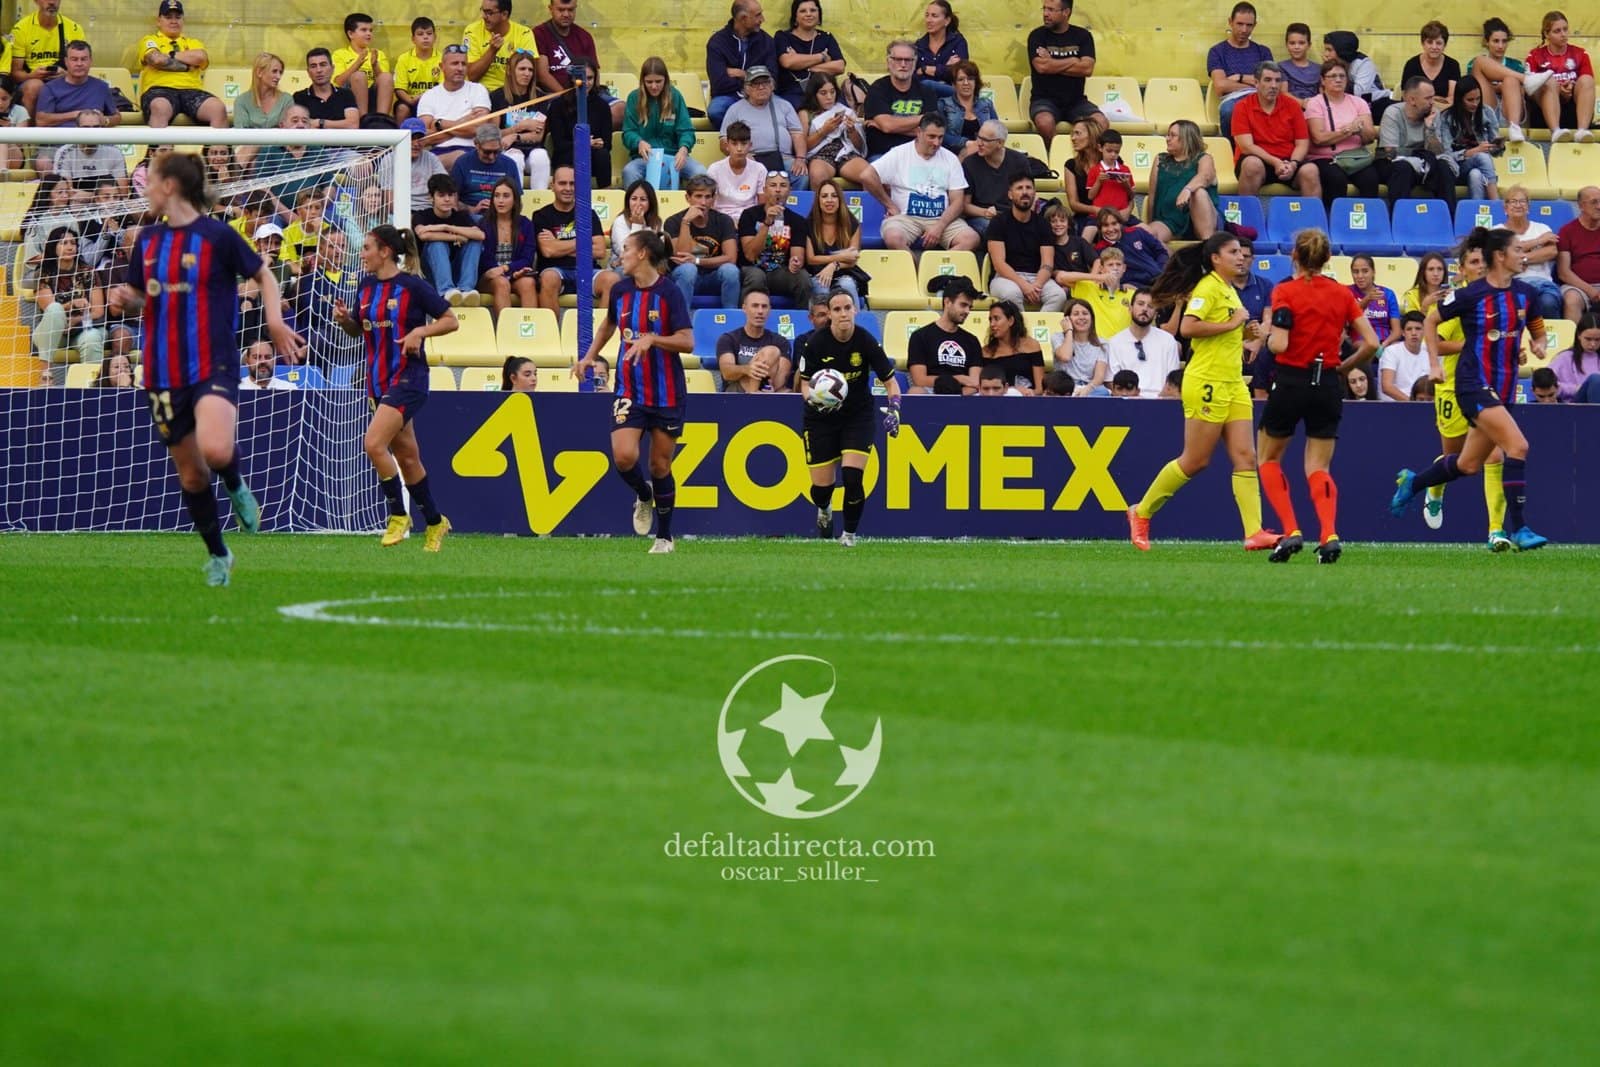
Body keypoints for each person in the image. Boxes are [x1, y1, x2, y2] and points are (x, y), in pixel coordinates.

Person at [109, 152, 303, 585]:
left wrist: (274, 322)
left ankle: (234, 482)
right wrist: (127, 299)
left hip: (213, 359)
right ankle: (218, 554)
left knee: (215, 451)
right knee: (192, 473)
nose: (144, 189)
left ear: (170, 186)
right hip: (161, 369)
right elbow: (142, 295)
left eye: (150, 181)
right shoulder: (148, 240)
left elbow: (265, 275)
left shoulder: (218, 236)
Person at [1394, 227, 1549, 551]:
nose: (1523, 256)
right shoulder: (1470, 295)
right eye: (1518, 250)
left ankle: (1414, 482)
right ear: (1500, 256)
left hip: (1504, 387)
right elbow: (1431, 320)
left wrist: (1539, 343)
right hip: (1472, 384)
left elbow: (1536, 326)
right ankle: (1518, 529)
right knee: (1517, 446)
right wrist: (1434, 364)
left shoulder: (1526, 293)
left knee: (1467, 464)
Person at [1127, 233, 1281, 552]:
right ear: (1215, 258)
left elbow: (1224, 331)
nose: (1240, 257)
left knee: (1246, 457)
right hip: (1207, 381)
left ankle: (1254, 532)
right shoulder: (1208, 288)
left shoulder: (1228, 289)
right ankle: (1141, 511)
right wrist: (1233, 324)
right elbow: (1189, 328)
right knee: (1195, 460)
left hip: (1233, 382)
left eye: (1242, 252)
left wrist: (1246, 333)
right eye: (1233, 252)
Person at [331, 225, 458, 550]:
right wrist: (346, 321)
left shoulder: (412, 286)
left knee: (373, 444)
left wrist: (419, 333)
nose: (362, 255)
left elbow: (451, 320)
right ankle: (435, 522)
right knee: (407, 457)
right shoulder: (365, 286)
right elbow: (358, 331)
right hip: (377, 381)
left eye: (367, 248)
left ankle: (399, 515)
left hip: (408, 377)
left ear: (385, 252)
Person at [1257, 227, 1379, 563]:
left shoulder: (1285, 291)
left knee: (1268, 458)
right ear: (1327, 259)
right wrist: (1342, 367)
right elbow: (1371, 342)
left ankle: (1291, 530)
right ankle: (1329, 534)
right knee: (1318, 466)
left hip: (1290, 381)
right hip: (1326, 383)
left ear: (1294, 255)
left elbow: (1279, 344)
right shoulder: (1341, 294)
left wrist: (1265, 336)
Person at [575, 229, 696, 553]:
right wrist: (588, 357)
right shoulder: (620, 290)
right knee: (624, 456)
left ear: (642, 253)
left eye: (627, 248)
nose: (621, 254)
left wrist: (653, 339)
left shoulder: (669, 293)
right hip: (629, 388)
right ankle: (643, 495)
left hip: (667, 393)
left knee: (660, 466)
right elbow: (608, 325)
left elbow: (687, 341)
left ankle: (664, 537)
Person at [796, 288, 901, 544]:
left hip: (857, 416)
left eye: (847, 308)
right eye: (837, 309)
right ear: (830, 314)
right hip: (820, 419)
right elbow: (804, 384)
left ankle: (849, 536)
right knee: (821, 490)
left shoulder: (866, 341)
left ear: (855, 310)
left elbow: (890, 382)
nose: (843, 313)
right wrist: (815, 401)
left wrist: (895, 408)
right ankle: (824, 508)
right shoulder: (815, 344)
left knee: (853, 478)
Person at [1416, 241, 1487, 533]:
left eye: (1483, 261)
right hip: (1452, 388)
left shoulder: (1496, 298)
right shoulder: (1457, 301)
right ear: (1462, 269)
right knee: (1455, 459)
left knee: (1495, 455)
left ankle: (1496, 530)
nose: (1481, 267)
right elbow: (1435, 342)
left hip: (1485, 386)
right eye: (1474, 262)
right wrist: (1471, 344)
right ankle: (1434, 488)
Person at [870, 112, 980, 254]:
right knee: (893, 238)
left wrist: (940, 226)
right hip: (906, 218)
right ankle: (916, 265)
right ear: (919, 132)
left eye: (940, 137)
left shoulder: (950, 158)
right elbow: (867, 175)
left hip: (942, 218)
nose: (936, 143)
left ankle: (936, 266)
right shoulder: (899, 153)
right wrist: (889, 204)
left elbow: (958, 201)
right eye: (931, 137)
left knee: (971, 239)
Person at [534, 164, 620, 312]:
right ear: (552, 186)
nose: (568, 188)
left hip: (588, 270)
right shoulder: (541, 216)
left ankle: (600, 327)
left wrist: (558, 244)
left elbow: (600, 251)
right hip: (555, 271)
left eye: (572, 183)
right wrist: (584, 242)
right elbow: (548, 251)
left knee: (612, 280)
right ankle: (552, 327)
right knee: (548, 278)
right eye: (562, 183)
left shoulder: (589, 214)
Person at [1233, 62, 1322, 201]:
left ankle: (1313, 215)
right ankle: (1246, 213)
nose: (1274, 85)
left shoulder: (1292, 105)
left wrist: (1293, 164)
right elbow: (1247, 147)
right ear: (1256, 83)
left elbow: (1302, 143)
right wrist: (1276, 162)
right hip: (1258, 159)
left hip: (1288, 161)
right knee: (1252, 165)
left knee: (1311, 171)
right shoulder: (1242, 107)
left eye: (1277, 80)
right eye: (1268, 80)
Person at [31, 226, 105, 384]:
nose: (70, 247)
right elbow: (49, 308)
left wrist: (76, 321)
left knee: (92, 338)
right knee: (55, 309)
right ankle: (46, 374)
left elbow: (98, 311)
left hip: (81, 329)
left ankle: (92, 388)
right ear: (54, 247)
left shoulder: (88, 271)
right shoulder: (43, 273)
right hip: (53, 333)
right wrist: (72, 304)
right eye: (64, 243)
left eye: (73, 243)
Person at [534, 0, 623, 127]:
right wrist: (568, 96)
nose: (566, 14)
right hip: (554, 95)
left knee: (620, 109)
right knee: (552, 113)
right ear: (550, 9)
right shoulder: (539, 34)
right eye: (561, 9)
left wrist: (587, 97)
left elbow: (595, 72)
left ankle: (588, 136)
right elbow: (542, 75)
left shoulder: (584, 36)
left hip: (586, 93)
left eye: (570, 9)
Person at [1303, 59, 1381, 205]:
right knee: (1336, 179)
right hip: (1325, 158)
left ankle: (1367, 216)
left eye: (1342, 76)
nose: (1338, 80)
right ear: (1323, 80)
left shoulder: (1358, 102)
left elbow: (1370, 137)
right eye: (1333, 76)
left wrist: (1361, 130)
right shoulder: (1315, 103)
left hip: (1355, 156)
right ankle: (1334, 216)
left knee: (1370, 179)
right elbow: (1318, 138)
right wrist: (1348, 131)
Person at [139, 1, 227, 129]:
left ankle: (216, 144)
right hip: (159, 90)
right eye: (168, 17)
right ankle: (160, 143)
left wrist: (170, 54)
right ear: (159, 21)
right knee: (160, 106)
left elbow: (201, 58)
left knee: (218, 108)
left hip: (192, 90)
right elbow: (157, 59)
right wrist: (187, 66)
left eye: (178, 17)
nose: (174, 21)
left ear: (183, 21)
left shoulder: (193, 42)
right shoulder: (150, 40)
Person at [621, 57, 703, 190]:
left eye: (658, 81)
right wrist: (638, 142)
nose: (654, 86)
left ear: (666, 79)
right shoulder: (634, 98)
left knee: (700, 172)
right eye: (649, 82)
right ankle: (635, 203)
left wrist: (684, 148)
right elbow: (628, 132)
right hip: (646, 158)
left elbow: (686, 130)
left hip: (674, 156)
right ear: (642, 81)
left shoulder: (675, 96)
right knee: (629, 171)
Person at [1468, 18, 1553, 144]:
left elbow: (1524, 92)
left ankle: (1514, 128)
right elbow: (1472, 91)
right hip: (1488, 110)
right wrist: (1499, 87)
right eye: (1496, 41)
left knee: (1511, 81)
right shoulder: (1475, 63)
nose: (1500, 46)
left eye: (1504, 41)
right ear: (1487, 42)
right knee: (1479, 62)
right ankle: (1526, 79)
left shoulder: (1516, 64)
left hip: (1512, 111)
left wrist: (1504, 86)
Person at [1028, 0, 1102, 144]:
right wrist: (1073, 60)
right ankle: (1054, 155)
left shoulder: (1082, 36)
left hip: (1076, 101)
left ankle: (1083, 156)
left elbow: (1087, 68)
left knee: (1101, 122)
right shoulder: (1037, 36)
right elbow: (1042, 67)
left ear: (1066, 12)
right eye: (1044, 9)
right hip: (1044, 100)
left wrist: (1052, 63)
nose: (1045, 14)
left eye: (1051, 10)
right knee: (1044, 122)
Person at [987, 172, 1064, 311]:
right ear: (1010, 194)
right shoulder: (998, 222)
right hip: (1006, 277)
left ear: (1034, 193)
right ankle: (1020, 326)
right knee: (1012, 293)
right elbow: (999, 264)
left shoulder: (1042, 224)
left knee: (1058, 295)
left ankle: (1038, 325)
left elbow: (1047, 263)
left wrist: (1037, 285)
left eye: (1028, 188)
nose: (1025, 192)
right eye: (1019, 188)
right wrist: (1024, 286)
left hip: (1037, 277)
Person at [721, 65, 807, 188]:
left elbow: (797, 134)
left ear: (772, 86)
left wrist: (800, 158)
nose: (761, 87)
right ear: (747, 88)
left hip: (783, 158)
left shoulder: (785, 105)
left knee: (801, 175)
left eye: (765, 83)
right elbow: (724, 141)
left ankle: (790, 201)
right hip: (750, 159)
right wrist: (742, 156)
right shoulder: (735, 109)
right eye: (756, 84)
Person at [799, 73, 883, 198]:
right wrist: (824, 131)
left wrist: (851, 130)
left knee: (870, 175)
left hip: (846, 151)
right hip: (821, 154)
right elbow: (803, 146)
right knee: (817, 176)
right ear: (814, 95)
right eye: (823, 93)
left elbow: (859, 147)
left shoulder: (845, 111)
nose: (829, 97)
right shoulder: (805, 114)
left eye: (832, 92)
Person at [666, 174, 742, 309]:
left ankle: (731, 316)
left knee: (730, 271)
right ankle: (682, 319)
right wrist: (686, 222)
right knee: (688, 269)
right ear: (688, 198)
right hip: (684, 277)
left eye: (708, 197)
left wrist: (697, 261)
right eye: (698, 196)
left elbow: (731, 258)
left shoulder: (724, 220)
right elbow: (681, 256)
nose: (703, 202)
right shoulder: (674, 221)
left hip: (714, 276)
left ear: (714, 199)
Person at [737, 171, 810, 306]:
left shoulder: (797, 221)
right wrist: (767, 223)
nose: (778, 190)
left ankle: (803, 317)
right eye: (773, 185)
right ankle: (746, 316)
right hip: (752, 268)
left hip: (779, 271)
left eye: (783, 185)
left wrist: (795, 262)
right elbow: (750, 255)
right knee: (756, 277)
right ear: (764, 190)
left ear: (790, 191)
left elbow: (797, 255)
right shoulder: (749, 215)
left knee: (802, 277)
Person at [1378, 77, 1454, 207]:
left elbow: (1438, 153)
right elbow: (1391, 153)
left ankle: (1448, 215)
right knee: (1403, 169)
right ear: (1412, 100)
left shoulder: (1434, 114)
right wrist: (1418, 158)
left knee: (1443, 167)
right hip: (1393, 163)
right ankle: (1399, 215)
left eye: (1433, 97)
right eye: (1428, 98)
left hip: (1425, 163)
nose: (1432, 102)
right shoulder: (1393, 113)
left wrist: (1429, 129)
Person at [417, 42, 492, 167]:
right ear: (442, 66)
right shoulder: (429, 95)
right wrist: (464, 121)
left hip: (472, 151)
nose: (460, 68)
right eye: (455, 63)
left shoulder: (478, 90)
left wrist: (440, 123)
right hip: (437, 153)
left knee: (459, 157)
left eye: (464, 64)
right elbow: (424, 138)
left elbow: (478, 130)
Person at [1525, 11, 1595, 143]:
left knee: (1587, 80)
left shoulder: (1580, 53)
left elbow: (1587, 84)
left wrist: (1571, 86)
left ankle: (1582, 131)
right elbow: (1529, 89)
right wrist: (1557, 89)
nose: (1563, 34)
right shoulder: (1535, 55)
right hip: (1544, 111)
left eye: (1565, 29)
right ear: (1547, 34)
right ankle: (1555, 131)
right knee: (1549, 81)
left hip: (1573, 108)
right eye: (1557, 31)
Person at [864, 39, 939, 160]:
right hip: (883, 155)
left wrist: (885, 126)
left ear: (915, 63)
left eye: (908, 60)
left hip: (918, 154)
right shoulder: (877, 89)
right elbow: (888, 125)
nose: (903, 64)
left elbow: (931, 131)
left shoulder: (926, 91)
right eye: (898, 59)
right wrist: (924, 118)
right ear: (889, 62)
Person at [413, 175, 482, 305]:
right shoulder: (422, 215)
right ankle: (446, 291)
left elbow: (480, 235)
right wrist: (456, 236)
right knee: (437, 244)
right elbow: (423, 234)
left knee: (475, 243)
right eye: (441, 195)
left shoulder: (461, 216)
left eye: (450, 195)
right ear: (431, 197)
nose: (447, 199)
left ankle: (466, 289)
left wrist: (447, 227)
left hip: (455, 271)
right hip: (430, 273)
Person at [706, 0, 777, 128]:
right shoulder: (717, 42)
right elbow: (719, 83)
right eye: (758, 15)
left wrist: (743, 75)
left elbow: (772, 77)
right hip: (729, 96)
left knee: (784, 109)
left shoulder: (766, 42)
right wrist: (754, 79)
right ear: (743, 18)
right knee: (716, 110)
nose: (762, 19)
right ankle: (735, 138)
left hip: (760, 94)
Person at [1497, 185, 1563, 323]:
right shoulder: (1497, 232)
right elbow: (1500, 258)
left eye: (1522, 201)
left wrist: (1520, 260)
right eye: (1513, 201)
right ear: (1505, 208)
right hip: (1513, 284)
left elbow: (1551, 251)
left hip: (1543, 285)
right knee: (1517, 305)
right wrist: (1538, 241)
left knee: (1548, 303)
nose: (1518, 205)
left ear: (1528, 207)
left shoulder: (1542, 228)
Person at [1145, 120, 1217, 244]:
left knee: (1198, 192)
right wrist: (1150, 222)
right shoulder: (1160, 159)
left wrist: (1187, 189)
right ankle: (1168, 255)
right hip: (1169, 220)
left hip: (1200, 219)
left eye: (1172, 135)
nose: (1167, 139)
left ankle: (1208, 246)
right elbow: (1152, 196)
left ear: (1186, 138)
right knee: (1149, 234)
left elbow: (1205, 176)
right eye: (1168, 135)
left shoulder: (1204, 158)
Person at [1209, 2, 1275, 137]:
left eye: (1249, 25)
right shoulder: (1217, 51)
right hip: (1233, 99)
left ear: (1254, 25)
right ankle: (1232, 148)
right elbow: (1220, 86)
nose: (1244, 30)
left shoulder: (1263, 51)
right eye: (1239, 24)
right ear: (1230, 22)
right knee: (1228, 111)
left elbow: (1270, 83)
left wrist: (1239, 77)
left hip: (1261, 99)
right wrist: (1255, 84)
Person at [488, 50, 551, 190]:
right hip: (506, 150)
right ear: (510, 71)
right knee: (515, 158)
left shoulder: (540, 98)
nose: (527, 73)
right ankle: (516, 200)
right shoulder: (497, 97)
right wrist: (519, 127)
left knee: (541, 157)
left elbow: (538, 136)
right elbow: (494, 135)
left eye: (530, 70)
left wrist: (515, 136)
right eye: (522, 69)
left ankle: (540, 199)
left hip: (532, 148)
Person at [544, 54, 613, 184]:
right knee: (569, 156)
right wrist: (582, 143)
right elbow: (559, 144)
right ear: (572, 78)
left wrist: (597, 144)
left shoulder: (602, 106)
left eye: (590, 78)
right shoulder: (558, 105)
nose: (586, 82)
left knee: (603, 155)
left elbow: (607, 144)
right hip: (567, 155)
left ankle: (605, 191)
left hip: (593, 156)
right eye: (581, 78)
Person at [10, 0, 87, 114]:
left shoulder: (74, 29)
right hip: (31, 80)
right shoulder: (21, 29)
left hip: (65, 79)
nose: (52, 2)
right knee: (35, 86)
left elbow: (83, 66)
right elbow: (15, 73)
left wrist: (67, 74)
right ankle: (30, 125)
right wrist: (32, 75)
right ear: (36, 1)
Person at [908, 274, 982, 392]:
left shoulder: (972, 341)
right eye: (963, 305)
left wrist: (958, 394)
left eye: (970, 307)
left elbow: (974, 382)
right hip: (932, 391)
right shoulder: (921, 336)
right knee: (915, 392)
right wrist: (958, 378)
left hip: (963, 393)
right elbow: (919, 380)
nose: (967, 311)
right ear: (947, 302)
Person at [476, 177, 537, 318]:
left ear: (515, 200)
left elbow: (527, 258)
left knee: (528, 283)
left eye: (506, 196)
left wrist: (507, 269)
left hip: (514, 273)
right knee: (502, 283)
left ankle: (532, 329)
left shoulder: (525, 224)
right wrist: (503, 272)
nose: (500, 200)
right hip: (488, 276)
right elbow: (484, 260)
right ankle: (505, 329)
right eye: (497, 196)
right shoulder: (484, 224)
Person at [960, 120, 1032, 240]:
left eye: (985, 140)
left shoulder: (1019, 161)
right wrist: (985, 212)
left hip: (1014, 214)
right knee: (995, 228)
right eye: (978, 137)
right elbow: (965, 205)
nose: (979, 143)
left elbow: (1029, 196)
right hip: (982, 217)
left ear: (1000, 143)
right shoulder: (969, 164)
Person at [1102, 289, 1180, 397]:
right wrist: (1131, 396)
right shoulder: (1115, 342)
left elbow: (1173, 380)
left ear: (1156, 313)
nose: (1145, 309)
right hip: (1127, 401)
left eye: (1150, 306)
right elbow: (1111, 381)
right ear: (1130, 308)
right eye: (1140, 304)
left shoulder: (1168, 341)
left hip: (1160, 401)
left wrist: (1159, 399)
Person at [773, 0, 846, 111]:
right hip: (793, 94)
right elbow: (787, 62)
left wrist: (802, 65)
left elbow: (839, 66)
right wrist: (822, 57)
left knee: (843, 114)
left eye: (813, 10)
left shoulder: (826, 38)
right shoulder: (783, 36)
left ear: (819, 14)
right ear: (795, 16)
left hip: (825, 93)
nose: (808, 14)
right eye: (803, 11)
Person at [1436, 82, 1502, 201]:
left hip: (1481, 168)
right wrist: (1472, 152)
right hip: (1456, 167)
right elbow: (1446, 155)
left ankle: (1477, 210)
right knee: (1481, 156)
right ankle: (1495, 201)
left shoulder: (1487, 112)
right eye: (1470, 100)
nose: (1475, 103)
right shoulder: (1447, 117)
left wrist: (1496, 146)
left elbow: (1497, 152)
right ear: (1459, 99)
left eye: (1478, 99)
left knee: (1475, 174)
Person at [34, 40, 120, 132]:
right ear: (66, 62)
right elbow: (41, 121)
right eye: (74, 59)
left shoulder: (101, 87)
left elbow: (117, 117)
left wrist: (105, 120)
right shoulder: (50, 88)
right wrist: (76, 115)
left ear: (90, 61)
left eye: (84, 59)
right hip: (63, 138)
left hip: (95, 138)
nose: (79, 64)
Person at [716, 286, 791, 391]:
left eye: (764, 306)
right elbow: (727, 372)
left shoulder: (780, 341)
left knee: (772, 352)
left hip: (769, 390)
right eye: (755, 306)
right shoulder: (728, 339)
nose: (760, 311)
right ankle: (754, 395)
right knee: (771, 351)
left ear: (769, 310)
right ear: (744, 308)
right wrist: (747, 369)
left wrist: (771, 389)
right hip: (737, 392)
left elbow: (782, 375)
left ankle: (758, 395)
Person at [804, 177, 865, 305]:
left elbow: (852, 259)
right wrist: (840, 257)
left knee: (847, 284)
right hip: (817, 272)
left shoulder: (852, 223)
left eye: (834, 196)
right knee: (822, 285)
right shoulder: (808, 224)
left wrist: (834, 265)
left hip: (844, 272)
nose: (829, 200)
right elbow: (811, 259)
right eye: (824, 196)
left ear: (839, 200)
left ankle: (854, 318)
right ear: (818, 200)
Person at [230, 53, 292, 171]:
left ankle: (233, 174)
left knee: (256, 161)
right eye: (274, 71)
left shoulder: (286, 99)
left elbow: (287, 133)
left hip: (277, 150)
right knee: (254, 163)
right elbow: (240, 137)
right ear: (259, 72)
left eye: (280, 72)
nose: (278, 76)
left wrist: (260, 139)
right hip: (248, 151)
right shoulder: (242, 101)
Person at [464, 0, 539, 96]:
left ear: (504, 14)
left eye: (489, 13)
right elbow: (471, 76)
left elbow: (530, 73)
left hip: (512, 93)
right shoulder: (472, 30)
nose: (483, 16)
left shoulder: (524, 33)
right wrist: (492, 51)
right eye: (483, 11)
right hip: (481, 93)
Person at [331, 12, 394, 118]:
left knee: (387, 76)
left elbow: (385, 83)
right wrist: (357, 64)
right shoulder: (339, 54)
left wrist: (375, 65)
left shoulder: (377, 54)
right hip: (350, 95)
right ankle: (362, 119)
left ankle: (382, 120)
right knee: (359, 76)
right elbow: (338, 82)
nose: (369, 34)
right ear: (351, 34)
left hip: (373, 95)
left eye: (370, 30)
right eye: (364, 30)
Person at [451, 124, 524, 208]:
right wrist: (471, 209)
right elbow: (452, 199)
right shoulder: (462, 163)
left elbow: (518, 201)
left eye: (496, 151)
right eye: (487, 152)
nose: (491, 157)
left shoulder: (509, 164)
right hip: (469, 211)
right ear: (476, 145)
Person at [980, 299, 1044, 393]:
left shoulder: (1032, 346)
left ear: (1010, 321)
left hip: (1025, 399)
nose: (992, 324)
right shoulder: (986, 352)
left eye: (996, 319)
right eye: (990, 320)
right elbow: (983, 388)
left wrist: (1027, 392)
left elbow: (1040, 389)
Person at [937, 61, 998, 160]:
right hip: (954, 156)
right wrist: (966, 143)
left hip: (984, 155)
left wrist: (981, 144)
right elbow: (941, 135)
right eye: (961, 79)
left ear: (976, 82)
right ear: (953, 84)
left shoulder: (986, 104)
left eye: (970, 79)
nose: (966, 83)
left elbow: (997, 131)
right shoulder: (943, 104)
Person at [1094, 211, 1168, 290]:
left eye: (1114, 223)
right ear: (1100, 228)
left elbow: (1161, 252)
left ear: (1120, 224)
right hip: (1137, 288)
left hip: (1161, 277)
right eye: (1105, 225)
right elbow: (1111, 276)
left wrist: (1160, 270)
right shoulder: (1100, 249)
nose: (1111, 229)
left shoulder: (1137, 232)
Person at [1072, 247, 1135, 338]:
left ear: (1124, 268)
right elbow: (1061, 277)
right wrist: (1096, 277)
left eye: (1118, 264)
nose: (1115, 268)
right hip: (1097, 344)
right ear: (1101, 269)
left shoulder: (1132, 294)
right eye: (1110, 265)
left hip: (1122, 344)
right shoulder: (1090, 288)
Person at [1558, 186, 1600, 321]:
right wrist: (1591, 290)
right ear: (1581, 206)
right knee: (1571, 300)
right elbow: (1564, 272)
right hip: (1578, 286)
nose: (1599, 206)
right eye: (1594, 202)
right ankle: (1573, 336)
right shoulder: (1567, 231)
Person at [295, 48, 360, 132]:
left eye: (323, 65)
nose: (319, 70)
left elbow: (352, 124)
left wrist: (320, 122)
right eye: (313, 66)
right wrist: (340, 124)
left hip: (341, 141)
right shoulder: (299, 97)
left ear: (332, 68)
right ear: (308, 72)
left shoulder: (345, 94)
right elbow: (299, 126)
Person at [1051, 298, 1108, 395]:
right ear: (1067, 319)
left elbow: (1099, 377)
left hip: (1090, 387)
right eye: (1076, 314)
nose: (1081, 317)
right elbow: (1065, 357)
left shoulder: (1101, 343)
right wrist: (1068, 331)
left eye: (1085, 313)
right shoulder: (1058, 337)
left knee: (1103, 392)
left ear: (1092, 318)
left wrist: (1087, 390)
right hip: (1065, 386)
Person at [392, 17, 443, 123]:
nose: (425, 37)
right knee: (402, 109)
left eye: (429, 33)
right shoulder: (404, 59)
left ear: (435, 37)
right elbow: (399, 89)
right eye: (420, 34)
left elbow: (443, 87)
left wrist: (423, 97)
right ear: (413, 39)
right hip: (410, 102)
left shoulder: (442, 58)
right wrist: (410, 100)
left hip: (435, 101)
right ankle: (401, 134)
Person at [1401, 20, 1461, 110]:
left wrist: (1424, 100)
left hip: (1443, 113)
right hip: (1416, 112)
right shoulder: (1411, 65)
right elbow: (1406, 97)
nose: (1434, 47)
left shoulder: (1452, 65)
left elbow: (1452, 99)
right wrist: (1439, 99)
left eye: (1438, 43)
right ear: (1423, 44)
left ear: (1444, 45)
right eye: (1429, 42)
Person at [914, 0, 968, 99]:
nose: (928, 20)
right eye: (927, 15)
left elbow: (959, 73)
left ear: (947, 21)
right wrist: (945, 67)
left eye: (934, 16)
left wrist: (924, 69)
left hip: (951, 94)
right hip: (924, 96)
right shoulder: (919, 45)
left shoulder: (957, 42)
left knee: (928, 84)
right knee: (925, 85)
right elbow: (914, 77)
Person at [1059, 118, 1102, 239]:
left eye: (1078, 133)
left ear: (1092, 135)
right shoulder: (1071, 165)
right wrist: (1096, 210)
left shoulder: (1111, 161)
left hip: (1111, 214)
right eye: (1072, 134)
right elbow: (1073, 204)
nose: (1073, 138)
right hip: (1085, 217)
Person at [1348, 254, 1400, 346]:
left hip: (1385, 343)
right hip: (1359, 344)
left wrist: (1384, 344)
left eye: (1365, 271)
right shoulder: (1347, 292)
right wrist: (1366, 300)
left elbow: (1397, 331)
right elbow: (1346, 322)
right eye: (1355, 272)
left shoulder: (1388, 294)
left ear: (1373, 272)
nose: (1360, 276)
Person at [1379, 311, 1431, 401]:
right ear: (1403, 332)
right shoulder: (1391, 351)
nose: (1414, 333)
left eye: (1418, 329)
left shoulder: (1430, 350)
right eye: (1409, 329)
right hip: (1394, 404)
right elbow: (1387, 387)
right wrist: (1412, 404)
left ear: (1425, 331)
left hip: (1422, 403)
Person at [1548, 313, 1600, 402]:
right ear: (1579, 335)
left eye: (1597, 339)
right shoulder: (1565, 357)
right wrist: (1575, 389)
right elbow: (1546, 383)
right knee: (1595, 380)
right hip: (1575, 404)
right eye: (1588, 339)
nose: (1593, 344)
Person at [1085, 129, 1134, 222]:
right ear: (1100, 148)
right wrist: (1098, 182)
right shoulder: (1094, 170)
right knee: (1089, 230)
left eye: (1116, 152)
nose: (1113, 155)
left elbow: (1131, 196)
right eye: (1109, 151)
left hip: (1121, 215)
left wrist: (1126, 185)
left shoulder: (1125, 170)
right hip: (1099, 216)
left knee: (1146, 229)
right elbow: (1090, 196)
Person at [610, 179, 660, 269]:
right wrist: (637, 226)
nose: (638, 204)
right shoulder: (620, 221)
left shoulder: (657, 222)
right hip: (623, 268)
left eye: (643, 199)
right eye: (634, 199)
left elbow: (658, 252)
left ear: (650, 202)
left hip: (650, 267)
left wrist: (644, 227)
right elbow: (627, 252)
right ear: (628, 201)